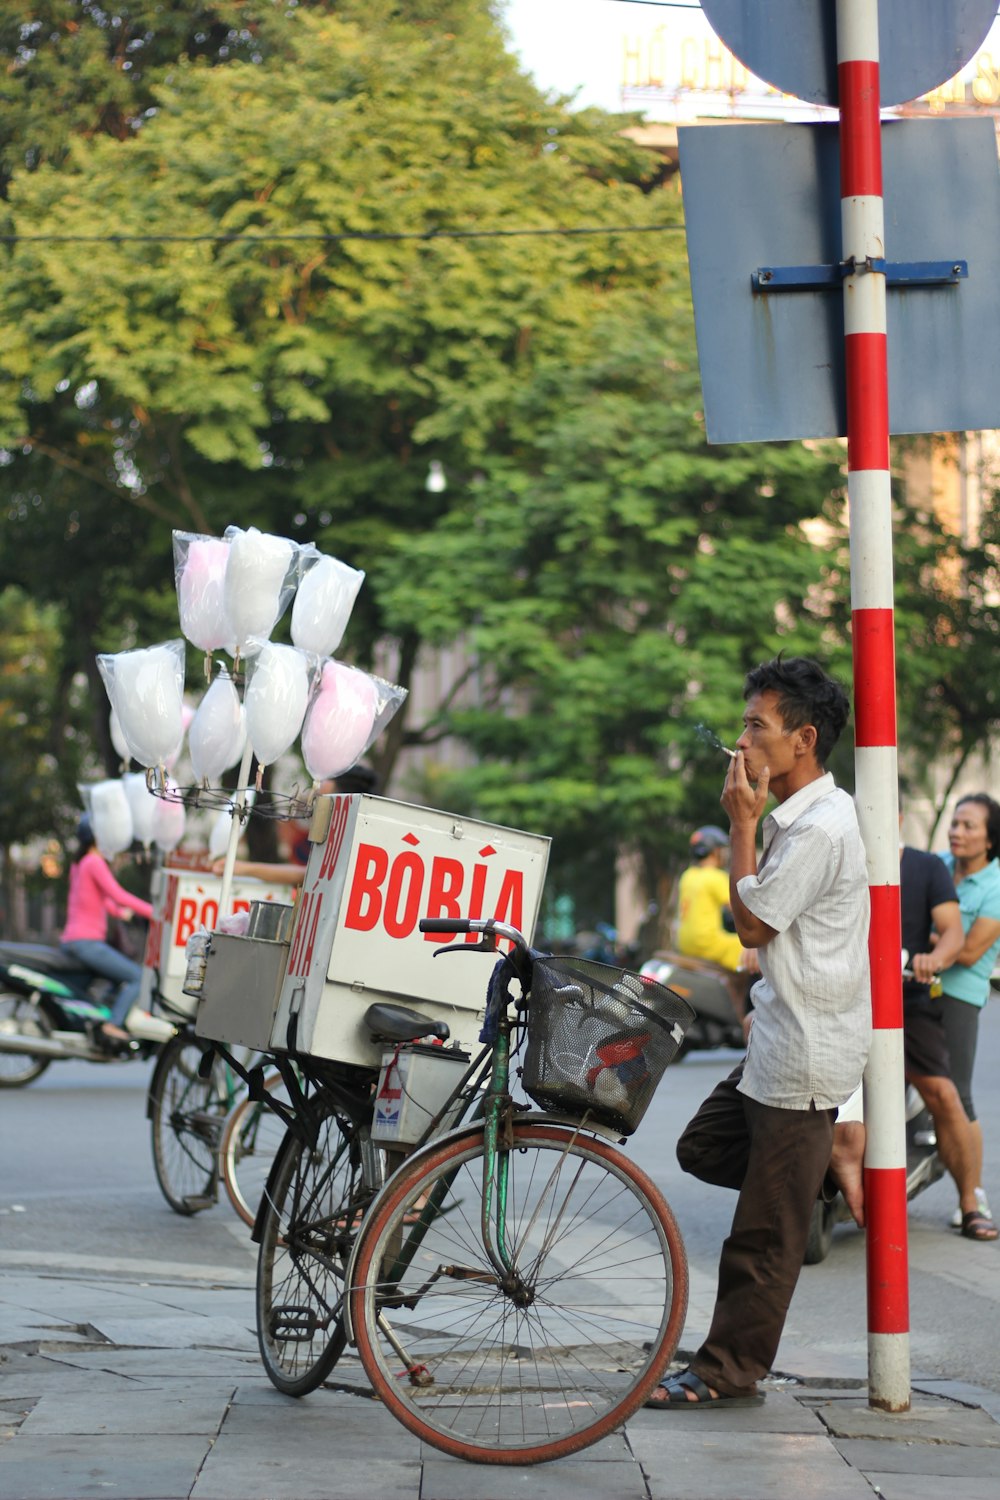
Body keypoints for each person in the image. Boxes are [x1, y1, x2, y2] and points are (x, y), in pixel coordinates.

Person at [647, 655, 870, 1409]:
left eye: (756, 725)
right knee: (702, 1145)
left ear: (802, 739)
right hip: (775, 1042)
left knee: (759, 1242)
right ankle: (807, 1188)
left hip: (804, 1048)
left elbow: (751, 923)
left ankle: (726, 1372)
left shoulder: (817, 828)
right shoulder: (799, 817)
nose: (742, 739)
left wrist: (741, 823)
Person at [937, 793, 1000, 1237]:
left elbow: (971, 949)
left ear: (990, 839)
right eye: (955, 823)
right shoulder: (936, 865)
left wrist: (929, 943)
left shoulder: (995, 885)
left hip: (959, 995)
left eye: (969, 826)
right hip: (914, 987)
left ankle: (973, 1195)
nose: (958, 832)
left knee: (958, 1093)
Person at [60, 814, 154, 1046]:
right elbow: (117, 894)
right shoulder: (94, 862)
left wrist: (120, 913)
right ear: (98, 837)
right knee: (138, 977)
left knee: (116, 975)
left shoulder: (79, 863)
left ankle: (97, 1016)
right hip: (87, 943)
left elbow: (99, 899)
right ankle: (113, 1023)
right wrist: (156, 912)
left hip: (74, 940)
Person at [677, 824, 758, 1030]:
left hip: (687, 942)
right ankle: (747, 1011)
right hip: (708, 940)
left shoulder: (688, 875)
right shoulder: (715, 877)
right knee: (756, 954)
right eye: (721, 849)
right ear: (714, 851)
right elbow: (740, 907)